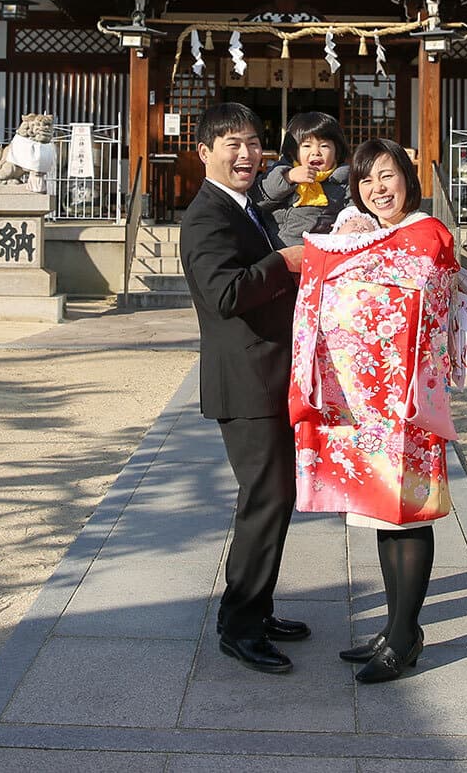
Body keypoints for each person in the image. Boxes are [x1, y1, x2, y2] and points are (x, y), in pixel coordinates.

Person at [288, 138, 467, 683]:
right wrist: (346, 245)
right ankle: (394, 625)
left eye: (387, 176)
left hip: (406, 403)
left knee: (408, 515)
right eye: (364, 181)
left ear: (408, 178)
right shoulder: (375, 234)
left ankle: (405, 636)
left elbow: (406, 294)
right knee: (383, 513)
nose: (377, 190)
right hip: (369, 402)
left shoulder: (427, 234)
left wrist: (342, 251)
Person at [178, 101, 308, 675]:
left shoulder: (246, 207)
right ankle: (240, 624)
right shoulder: (207, 215)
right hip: (247, 380)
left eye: (254, 142)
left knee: (275, 499)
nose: (246, 154)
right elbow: (224, 294)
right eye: (232, 143)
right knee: (266, 500)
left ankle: (257, 606)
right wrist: (284, 262)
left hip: (269, 372)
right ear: (204, 152)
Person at [254, 111, 351, 243]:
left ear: (337, 151)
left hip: (322, 250)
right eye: (306, 146)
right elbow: (258, 199)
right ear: (293, 152)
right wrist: (288, 178)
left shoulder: (344, 180)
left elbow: (354, 209)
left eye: (324, 146)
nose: (316, 152)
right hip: (277, 249)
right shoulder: (282, 172)